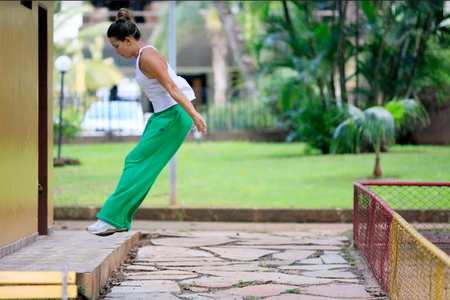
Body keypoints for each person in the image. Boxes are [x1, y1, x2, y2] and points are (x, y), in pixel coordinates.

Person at [87, 8, 207, 236]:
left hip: (173, 114)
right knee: (142, 166)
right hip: (164, 115)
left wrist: (193, 114)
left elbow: (172, 87)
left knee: (136, 162)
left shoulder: (148, 57)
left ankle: (110, 218)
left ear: (128, 40)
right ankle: (119, 219)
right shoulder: (143, 56)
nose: (116, 51)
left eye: (116, 46)